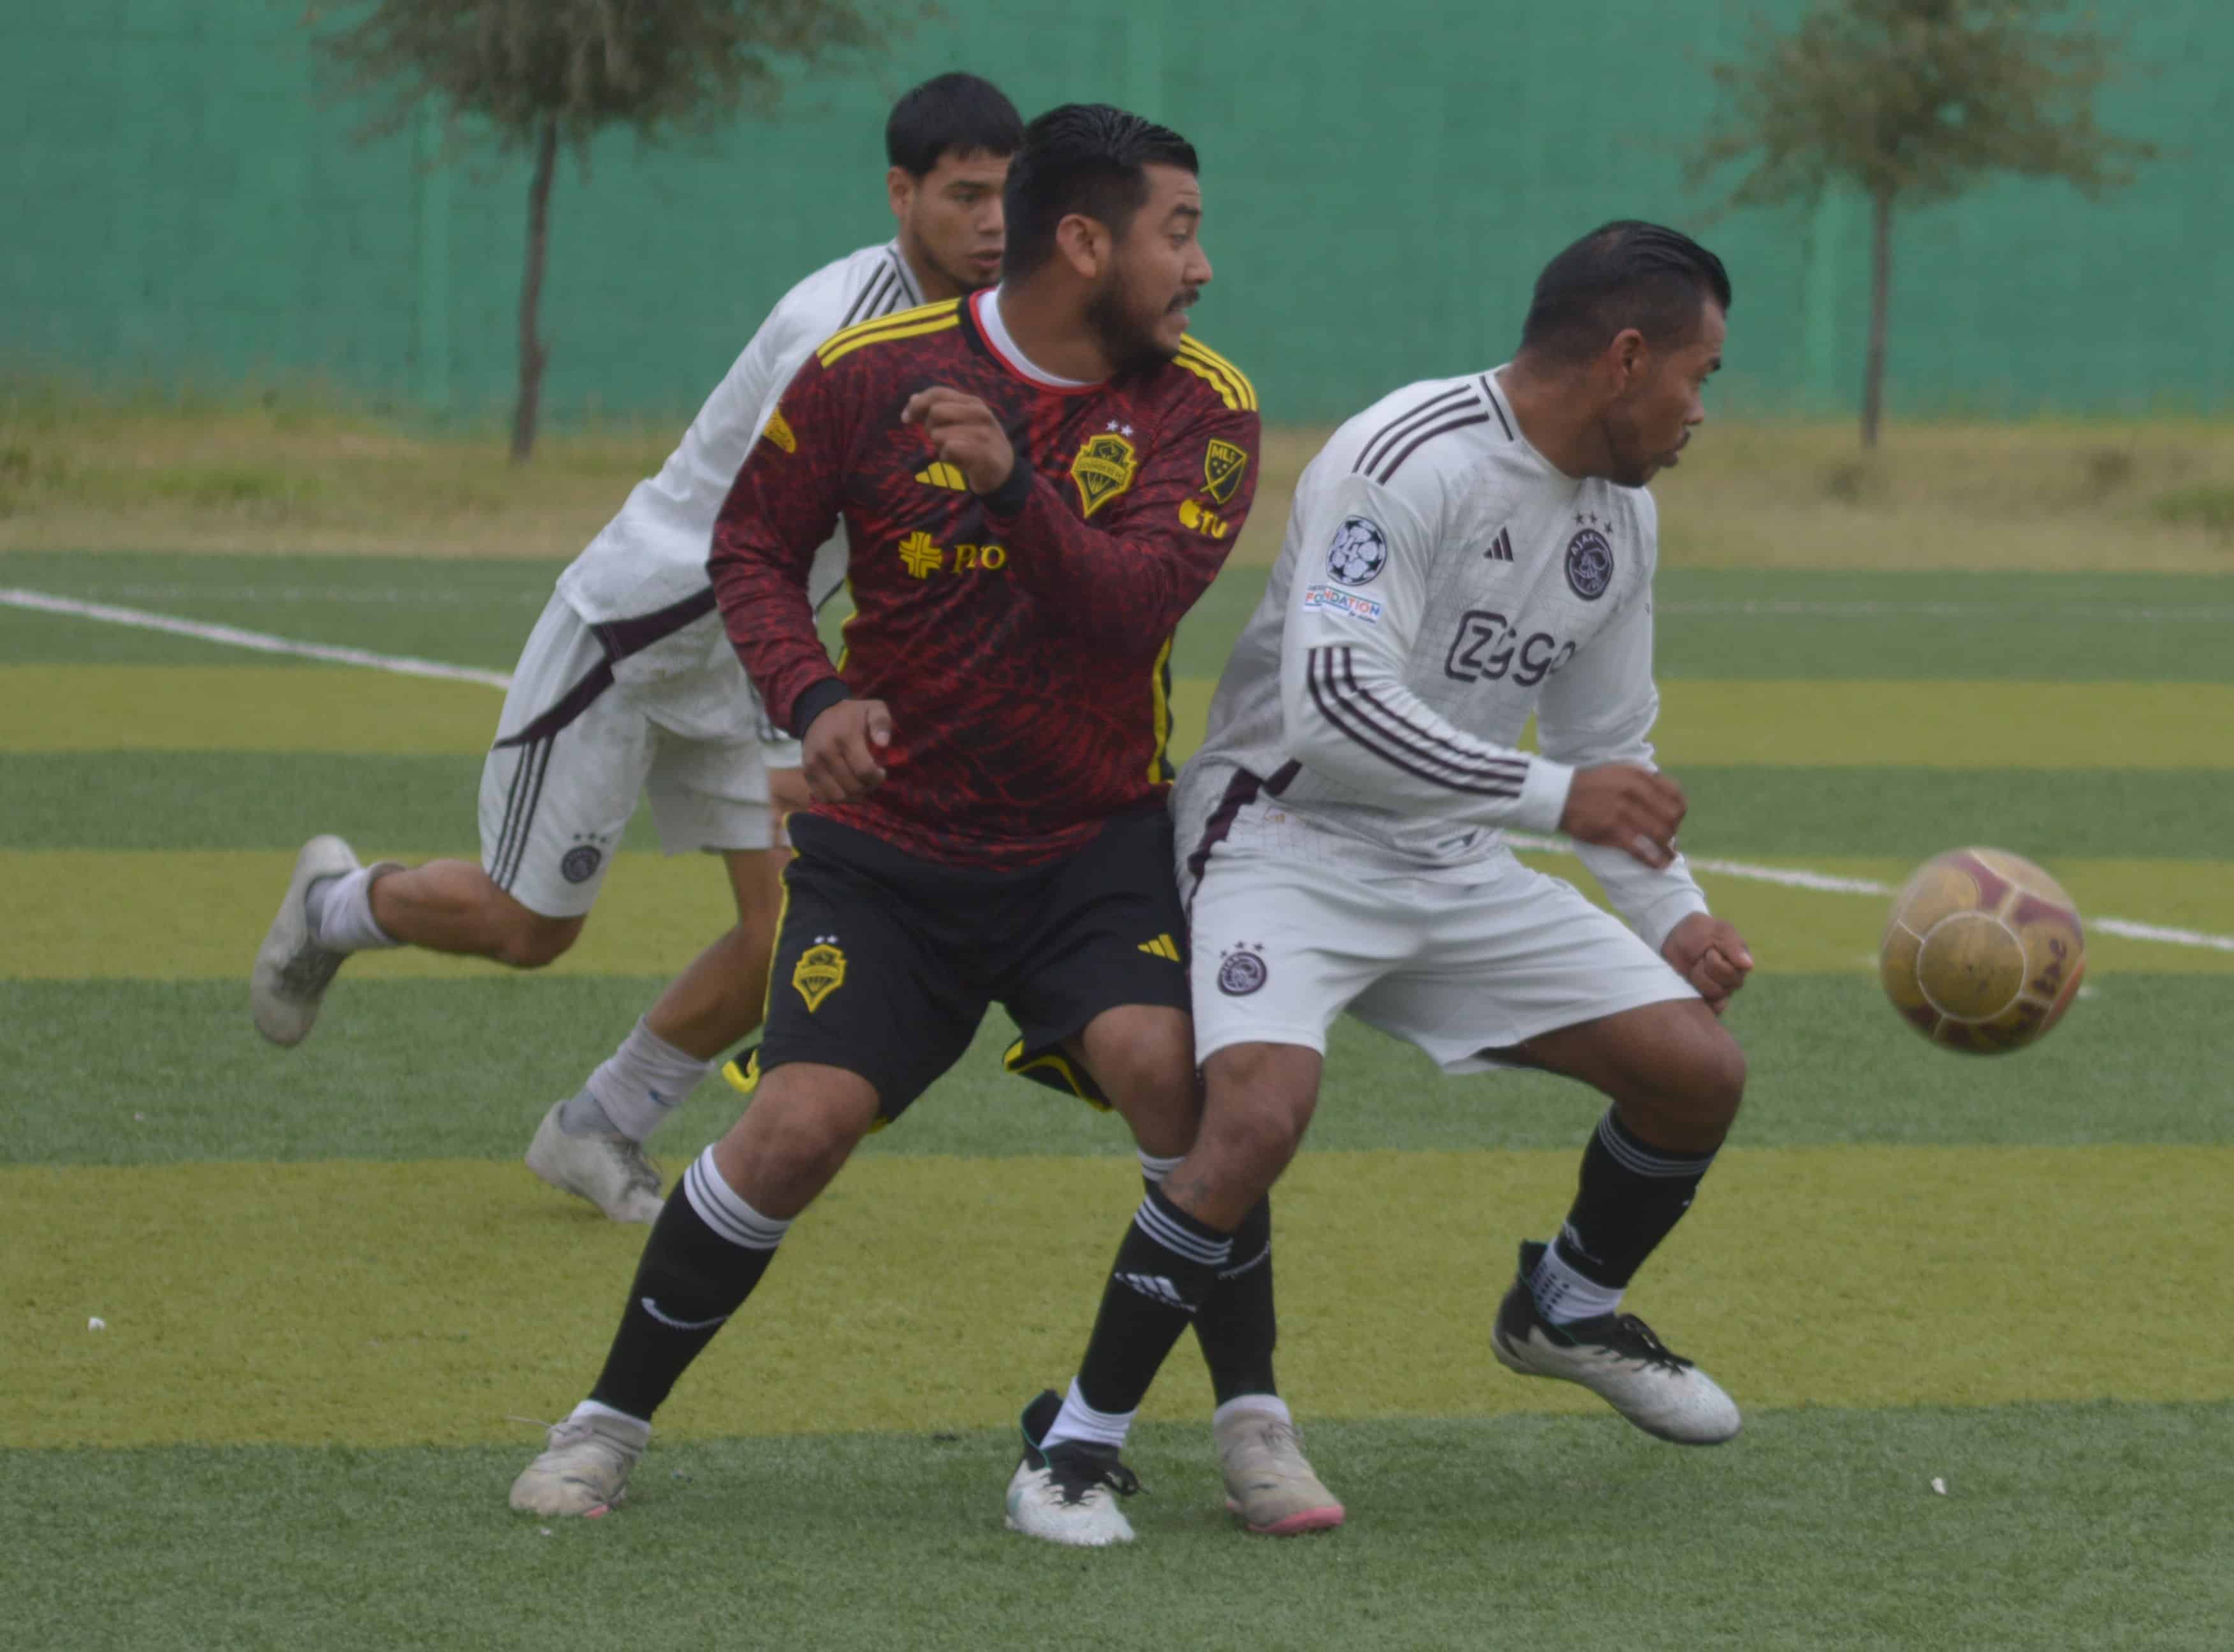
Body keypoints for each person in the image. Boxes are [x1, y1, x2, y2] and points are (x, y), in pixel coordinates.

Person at [504, 103, 1343, 1544]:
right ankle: (604, 1426)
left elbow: (1132, 609)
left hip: (1091, 847)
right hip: (891, 857)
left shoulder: (1205, 405)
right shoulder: (865, 373)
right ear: (1084, 242)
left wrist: (1014, 483)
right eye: (1178, 231)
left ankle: (1253, 1422)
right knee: (795, 1129)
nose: (1200, 267)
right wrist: (808, 692)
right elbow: (751, 546)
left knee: (1181, 1087)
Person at [1024, 221, 1758, 1544]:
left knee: (1698, 1071)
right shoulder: (1402, 454)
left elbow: (1605, 751)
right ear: (1626, 357)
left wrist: (1676, 913)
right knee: (1253, 1116)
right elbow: (1331, 708)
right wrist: (1556, 797)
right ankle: (1075, 1447)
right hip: (1281, 840)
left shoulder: (1623, 519)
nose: (1702, 410)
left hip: (1452, 857)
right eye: (1698, 375)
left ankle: (1568, 1310)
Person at [249, 74, 1019, 1222]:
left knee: (786, 935)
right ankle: (338, 907)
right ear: (901, 193)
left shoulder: (971, 328)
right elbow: (785, 537)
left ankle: (598, 1125)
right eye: (965, 197)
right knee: (530, 931)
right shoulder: (838, 334)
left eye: (1008, 195)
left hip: (752, 664)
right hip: (633, 640)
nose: (993, 224)